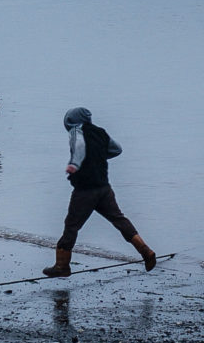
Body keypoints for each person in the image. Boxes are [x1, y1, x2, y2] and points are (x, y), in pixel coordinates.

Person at [43, 107, 156, 277]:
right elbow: (117, 149)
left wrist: (75, 164)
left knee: (72, 226)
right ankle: (146, 251)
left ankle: (62, 266)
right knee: (118, 218)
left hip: (85, 190)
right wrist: (97, 157)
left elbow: (79, 147)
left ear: (70, 121)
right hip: (104, 188)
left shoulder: (76, 131)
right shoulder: (101, 132)